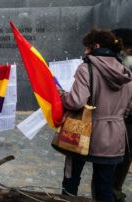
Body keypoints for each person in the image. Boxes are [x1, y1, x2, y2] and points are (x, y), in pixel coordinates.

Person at [60, 28, 132, 202]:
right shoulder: (125, 72)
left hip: (83, 132)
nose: (85, 51)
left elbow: (75, 102)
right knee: (104, 187)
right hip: (115, 136)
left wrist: (61, 94)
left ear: (96, 46)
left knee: (71, 183)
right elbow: (128, 108)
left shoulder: (86, 68)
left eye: (87, 47)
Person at [112, 28, 132, 202]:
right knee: (124, 157)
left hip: (125, 120)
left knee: (121, 157)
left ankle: (113, 192)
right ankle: (114, 190)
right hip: (124, 119)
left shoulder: (125, 63)